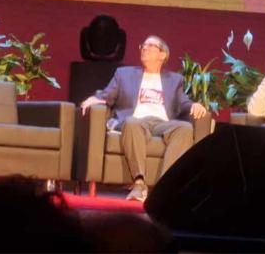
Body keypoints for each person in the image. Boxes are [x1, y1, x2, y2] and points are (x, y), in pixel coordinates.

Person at [80, 35, 207, 202]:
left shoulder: (175, 80)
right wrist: (94, 99)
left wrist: (194, 106)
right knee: (132, 122)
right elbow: (106, 95)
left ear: (163, 55)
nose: (144, 48)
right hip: (135, 121)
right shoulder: (124, 74)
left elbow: (183, 102)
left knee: (185, 128)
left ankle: (164, 187)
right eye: (143, 46)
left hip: (162, 124)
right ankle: (139, 184)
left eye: (150, 46)